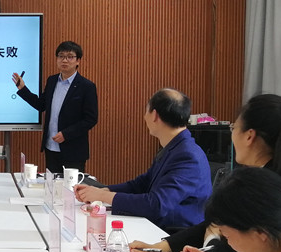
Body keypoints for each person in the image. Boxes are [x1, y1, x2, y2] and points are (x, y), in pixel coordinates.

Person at [129, 93, 281, 252]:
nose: (232, 136)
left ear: (249, 136)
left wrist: (205, 244)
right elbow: (216, 223)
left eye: (234, 128)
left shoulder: (263, 188)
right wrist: (164, 246)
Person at [74, 88, 211, 230]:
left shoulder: (187, 156)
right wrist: (103, 190)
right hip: (157, 225)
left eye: (146, 111)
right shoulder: (175, 146)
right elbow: (142, 184)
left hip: (173, 233)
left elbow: (156, 205)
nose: (145, 117)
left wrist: (103, 196)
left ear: (154, 115)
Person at [12, 40, 98, 175]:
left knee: (70, 187)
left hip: (73, 150)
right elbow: (41, 105)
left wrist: (66, 134)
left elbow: (90, 119)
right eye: (61, 56)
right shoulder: (52, 81)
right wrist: (23, 89)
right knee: (52, 185)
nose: (65, 60)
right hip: (51, 147)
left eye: (70, 57)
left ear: (78, 61)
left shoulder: (86, 86)